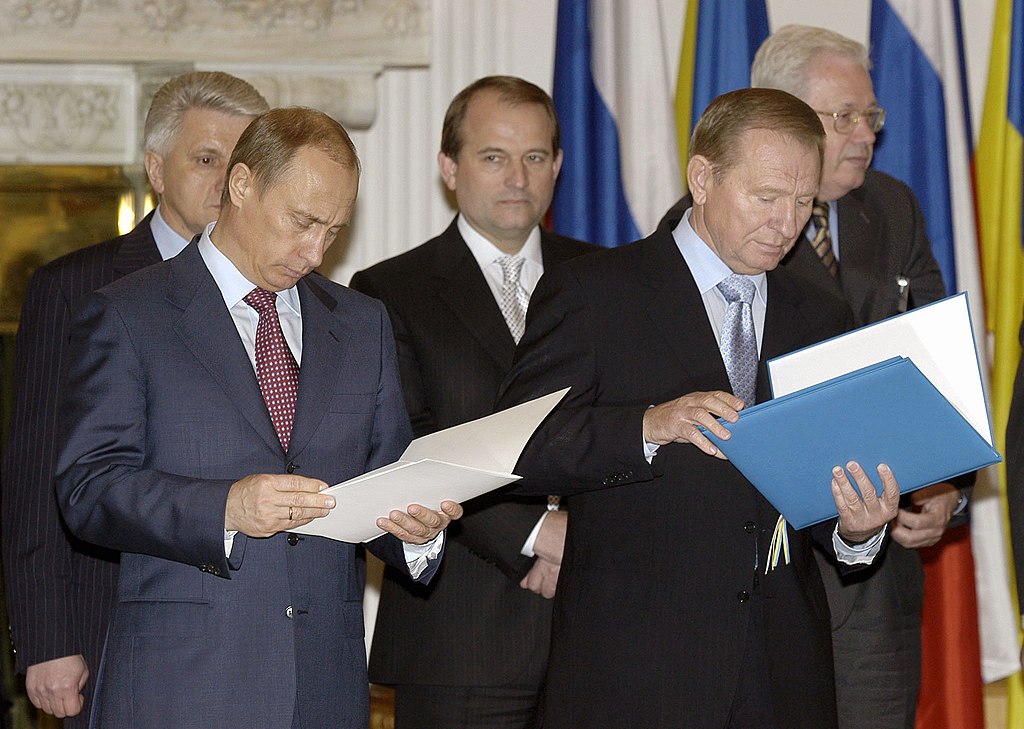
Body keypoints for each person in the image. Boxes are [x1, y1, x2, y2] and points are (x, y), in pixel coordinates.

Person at [496, 87, 901, 729]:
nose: (786, 222)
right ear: (703, 177)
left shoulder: (820, 314)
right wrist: (648, 425)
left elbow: (813, 483)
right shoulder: (597, 290)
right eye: (766, 197)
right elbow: (520, 448)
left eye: (803, 203)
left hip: (782, 676)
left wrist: (857, 530)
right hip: (634, 674)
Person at [53, 107, 463, 728]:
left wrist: (418, 527)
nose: (314, 250)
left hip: (325, 688)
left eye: (333, 230)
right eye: (302, 222)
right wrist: (224, 508)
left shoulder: (360, 324)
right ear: (241, 185)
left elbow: (384, 474)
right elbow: (88, 488)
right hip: (182, 688)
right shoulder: (130, 315)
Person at [659, 26, 968, 729]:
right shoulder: (710, 227)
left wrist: (944, 481)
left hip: (878, 581)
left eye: (872, 116)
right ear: (782, 116)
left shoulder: (893, 207)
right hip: (763, 574)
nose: (866, 134)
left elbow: (934, 366)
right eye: (844, 116)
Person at [0, 70, 269, 726]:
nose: (227, 180)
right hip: (111, 625)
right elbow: (36, 474)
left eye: (241, 163)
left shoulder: (288, 288)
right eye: (206, 159)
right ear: (155, 167)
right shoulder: (75, 288)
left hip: (255, 628)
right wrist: (45, 640)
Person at [350, 75, 594, 729]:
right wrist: (539, 536)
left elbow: (631, 429)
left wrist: (593, 541)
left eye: (535, 157)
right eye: (493, 156)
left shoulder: (610, 279)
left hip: (601, 631)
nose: (517, 176)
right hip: (462, 640)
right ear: (448, 168)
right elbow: (405, 447)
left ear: (558, 167)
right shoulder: (388, 290)